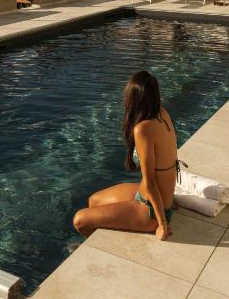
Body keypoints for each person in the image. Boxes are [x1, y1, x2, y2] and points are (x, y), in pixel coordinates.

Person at [73, 70, 181, 241]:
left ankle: (103, 242)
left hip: (151, 210)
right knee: (93, 200)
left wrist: (162, 224)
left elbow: (151, 182)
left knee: (79, 220)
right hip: (153, 197)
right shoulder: (162, 113)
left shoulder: (143, 129)